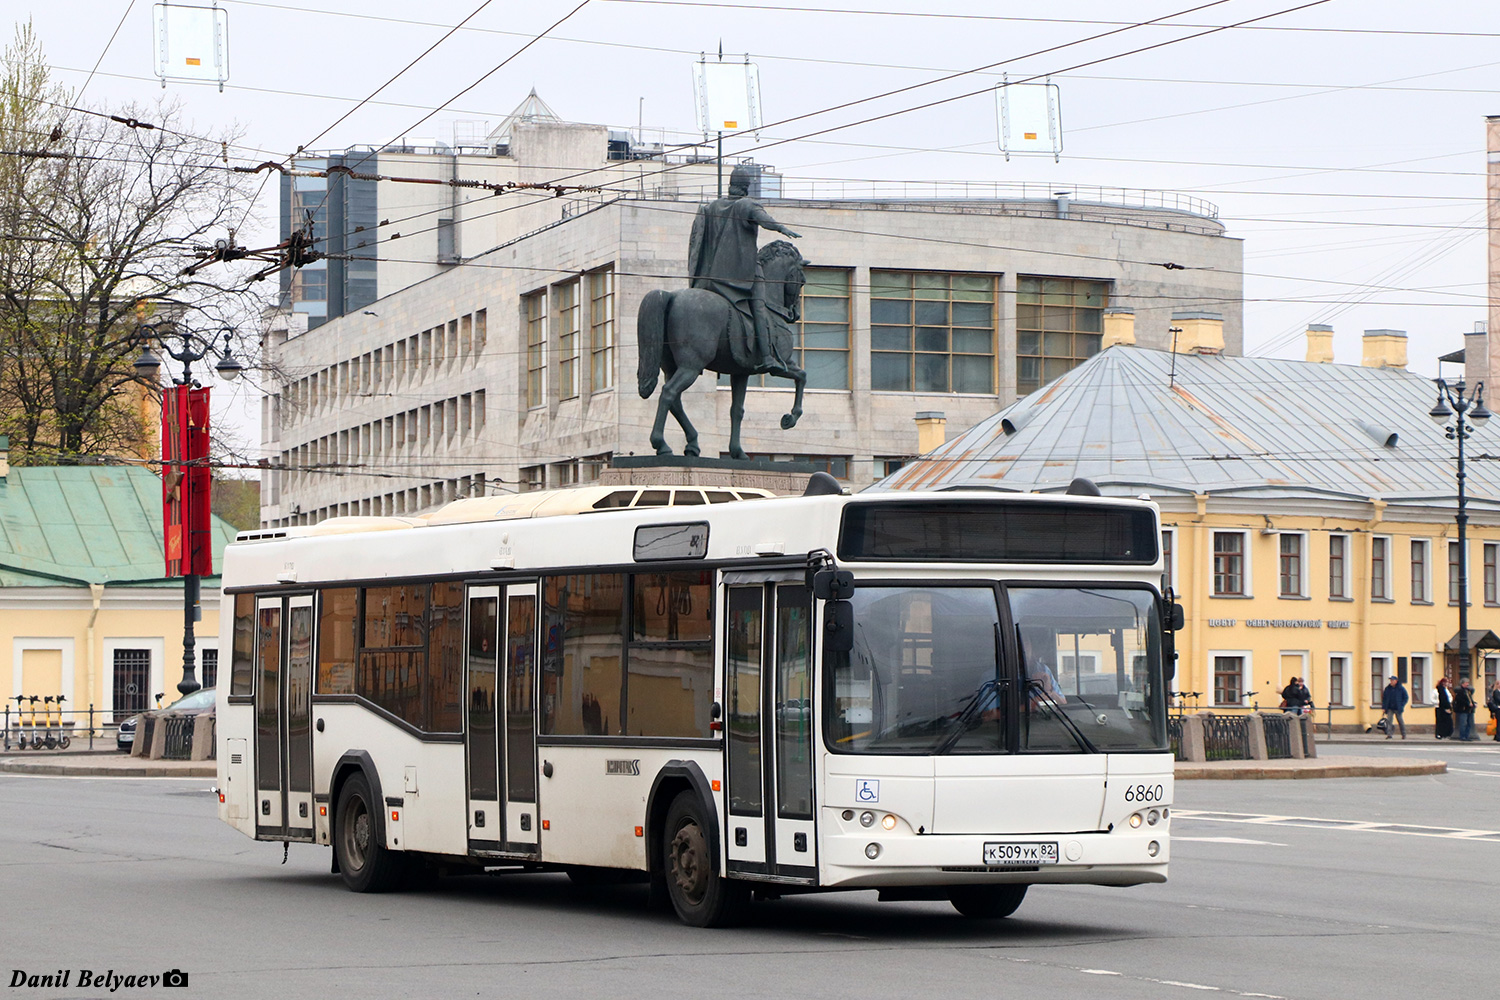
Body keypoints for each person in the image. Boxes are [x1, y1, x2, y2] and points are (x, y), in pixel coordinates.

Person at [687, 164, 802, 372]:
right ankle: (767, 356)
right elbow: (763, 219)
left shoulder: (712, 206)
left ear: (730, 185)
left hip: (711, 278)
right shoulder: (746, 205)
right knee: (759, 307)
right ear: (746, 187)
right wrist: (781, 227)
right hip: (743, 275)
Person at [1381, 674, 1408, 739]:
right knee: (1389, 721)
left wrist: (1402, 705)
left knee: (1400, 721)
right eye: (1391, 680)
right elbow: (1384, 698)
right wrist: (1384, 707)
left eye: (1392, 680)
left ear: (1396, 681)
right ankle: (1389, 734)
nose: (1391, 682)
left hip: (1398, 708)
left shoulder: (1400, 688)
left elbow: (1406, 697)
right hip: (1390, 707)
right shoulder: (1388, 688)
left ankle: (1403, 734)